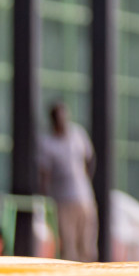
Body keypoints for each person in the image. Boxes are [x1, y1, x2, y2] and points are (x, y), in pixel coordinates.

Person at [37, 101, 96, 261]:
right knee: (68, 249)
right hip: (62, 202)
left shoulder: (78, 134)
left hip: (84, 199)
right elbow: (44, 174)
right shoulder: (47, 144)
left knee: (87, 246)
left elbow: (89, 160)